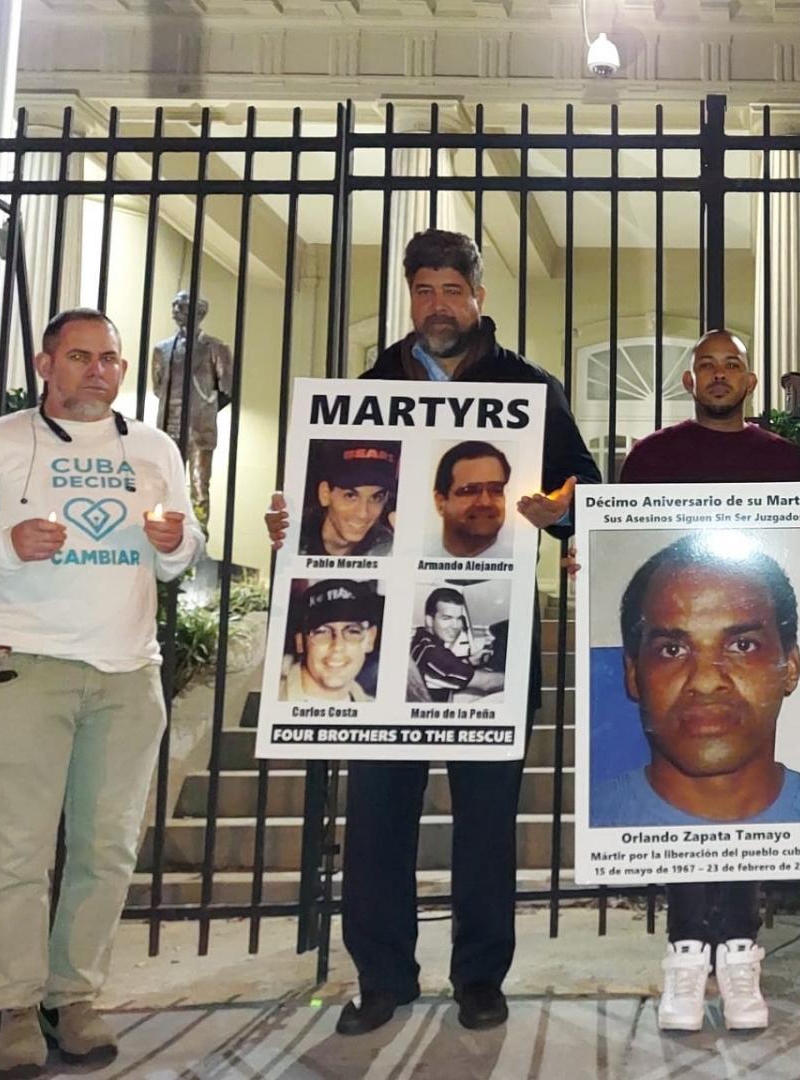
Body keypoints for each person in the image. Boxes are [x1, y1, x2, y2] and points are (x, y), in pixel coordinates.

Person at [265, 229, 601, 1035]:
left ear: (479, 296)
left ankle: (480, 977)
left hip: (498, 638)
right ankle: (382, 978)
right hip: (385, 642)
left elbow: (585, 492)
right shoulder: (371, 386)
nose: (439, 304)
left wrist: (565, 511)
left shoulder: (530, 389)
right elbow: (326, 494)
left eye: (453, 288)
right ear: (409, 296)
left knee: (488, 822)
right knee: (378, 817)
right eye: (424, 290)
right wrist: (290, 522)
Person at [0, 308, 204, 1078]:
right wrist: (6, 549)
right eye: (80, 357)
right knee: (16, 852)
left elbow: (182, 558)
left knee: (107, 850)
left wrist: (178, 543)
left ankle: (72, 998)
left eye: (109, 358)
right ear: (46, 366)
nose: (99, 371)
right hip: (24, 668)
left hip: (127, 672)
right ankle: (12, 1007)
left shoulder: (153, 448)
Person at [564, 329, 800, 1034]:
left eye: (732, 364)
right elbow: (620, 538)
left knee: (738, 800)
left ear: (749, 382)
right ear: (688, 382)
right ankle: (689, 957)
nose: (720, 374)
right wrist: (589, 562)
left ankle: (740, 955)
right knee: (690, 798)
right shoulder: (653, 457)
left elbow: (797, 542)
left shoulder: (780, 459)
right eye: (707, 365)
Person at [594, 534, 800, 828]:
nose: (705, 682)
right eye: (672, 650)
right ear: (633, 675)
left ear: (790, 667)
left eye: (742, 646)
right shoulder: (594, 824)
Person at [150, 289, 234, 525]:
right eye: (175, 305)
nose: (176, 310)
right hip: (169, 424)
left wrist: (203, 407)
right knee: (167, 484)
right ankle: (167, 530)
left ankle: (199, 533)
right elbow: (158, 387)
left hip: (200, 426)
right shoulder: (162, 349)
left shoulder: (215, 348)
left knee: (199, 485)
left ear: (199, 312)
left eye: (182, 306)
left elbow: (227, 390)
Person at [278, 579, 382, 703]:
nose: (338, 646)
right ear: (300, 642)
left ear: (370, 639)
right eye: (322, 632)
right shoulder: (266, 701)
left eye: (353, 631)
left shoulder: (376, 709)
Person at [300, 441, 398, 557]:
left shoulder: (388, 547)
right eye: (350, 496)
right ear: (325, 494)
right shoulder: (293, 536)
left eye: (376, 497)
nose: (363, 514)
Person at [408, 585, 502, 702]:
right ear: (429, 620)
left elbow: (446, 666)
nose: (455, 626)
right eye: (446, 618)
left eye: (459, 619)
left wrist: (469, 661)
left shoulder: (421, 638)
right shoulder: (435, 654)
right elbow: (487, 683)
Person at [432, 440, 511, 558]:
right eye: (469, 491)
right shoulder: (412, 561)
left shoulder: (521, 561)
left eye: (496, 490)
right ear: (440, 503)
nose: (485, 502)